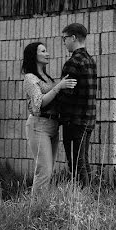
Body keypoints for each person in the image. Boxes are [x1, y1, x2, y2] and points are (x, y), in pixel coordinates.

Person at [21, 42, 76, 194]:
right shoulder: (30, 78)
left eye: (47, 50)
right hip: (38, 126)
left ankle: (42, 207)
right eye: (43, 51)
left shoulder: (46, 77)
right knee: (43, 171)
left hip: (53, 125)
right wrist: (59, 87)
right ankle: (36, 210)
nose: (48, 54)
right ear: (34, 55)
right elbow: (39, 103)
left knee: (49, 171)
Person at [57, 23, 97, 186]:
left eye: (64, 38)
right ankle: (89, 196)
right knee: (83, 160)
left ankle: (82, 198)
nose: (64, 42)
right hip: (88, 118)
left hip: (74, 120)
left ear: (73, 38)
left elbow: (67, 94)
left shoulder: (72, 62)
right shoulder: (90, 60)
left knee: (76, 162)